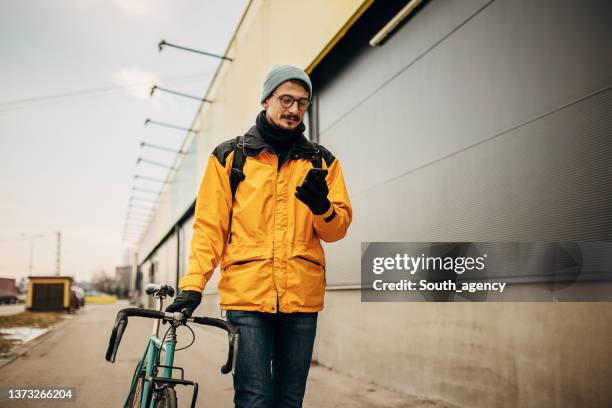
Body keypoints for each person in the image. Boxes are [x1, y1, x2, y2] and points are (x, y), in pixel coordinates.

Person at [166, 65, 352, 407]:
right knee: (254, 399)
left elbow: (336, 230)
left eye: (302, 102)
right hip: (247, 299)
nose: (294, 109)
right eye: (286, 99)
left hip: (301, 299)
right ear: (266, 99)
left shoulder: (322, 162)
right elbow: (210, 228)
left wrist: (322, 207)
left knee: (289, 399)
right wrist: (193, 284)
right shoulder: (229, 157)